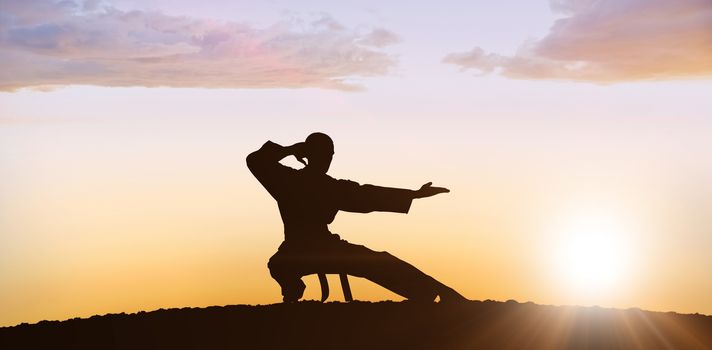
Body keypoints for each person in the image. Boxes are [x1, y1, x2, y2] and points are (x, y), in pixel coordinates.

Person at [247, 132, 466, 303]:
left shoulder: (299, 182)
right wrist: (292, 148)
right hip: (308, 251)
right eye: (323, 154)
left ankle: (434, 292)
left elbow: (368, 195)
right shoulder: (294, 182)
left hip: (305, 251)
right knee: (378, 262)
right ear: (309, 155)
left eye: (329, 155)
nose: (327, 159)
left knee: (379, 261)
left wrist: (414, 194)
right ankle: (433, 292)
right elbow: (254, 160)